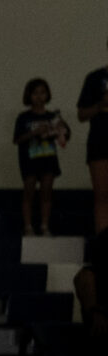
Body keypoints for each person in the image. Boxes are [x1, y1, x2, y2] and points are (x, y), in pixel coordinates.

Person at [19, 78, 70, 235]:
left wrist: (59, 129)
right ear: (29, 95)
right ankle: (28, 226)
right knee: (29, 192)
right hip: (30, 160)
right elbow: (17, 139)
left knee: (47, 191)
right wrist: (35, 132)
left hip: (48, 159)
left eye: (42, 92)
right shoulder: (24, 118)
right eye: (35, 93)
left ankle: (44, 225)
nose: (39, 97)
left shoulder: (53, 116)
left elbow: (66, 136)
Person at [82, 43, 108, 235]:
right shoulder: (94, 78)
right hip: (100, 142)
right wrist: (101, 105)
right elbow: (81, 114)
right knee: (102, 196)